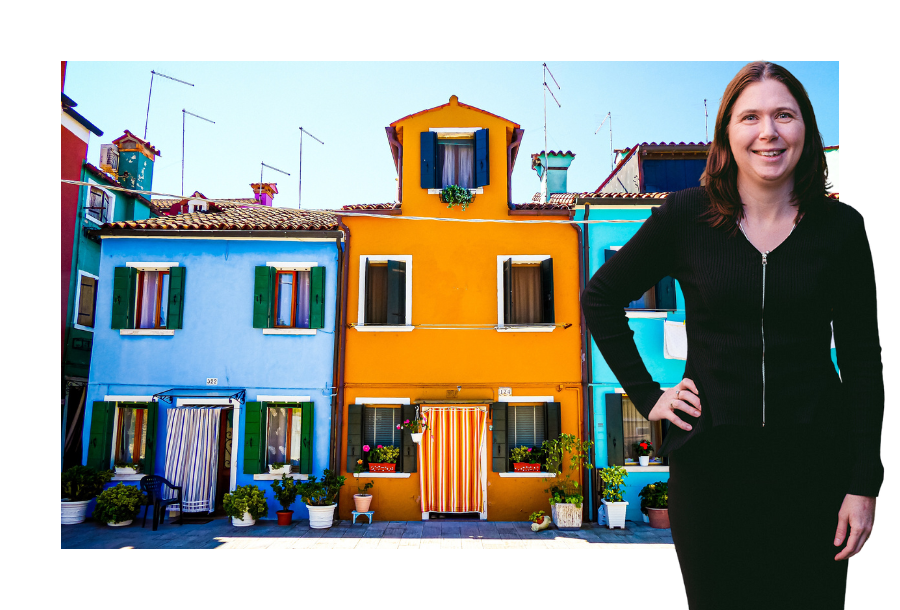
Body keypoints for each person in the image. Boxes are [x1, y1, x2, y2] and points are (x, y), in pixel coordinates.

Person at [581, 61, 882, 610]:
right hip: (712, 469)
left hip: (815, 466)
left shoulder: (842, 230)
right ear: (727, 135)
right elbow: (599, 298)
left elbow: (863, 360)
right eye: (751, 117)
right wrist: (650, 397)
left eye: (784, 115)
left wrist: (864, 483)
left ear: (805, 131)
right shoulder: (686, 217)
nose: (768, 131)